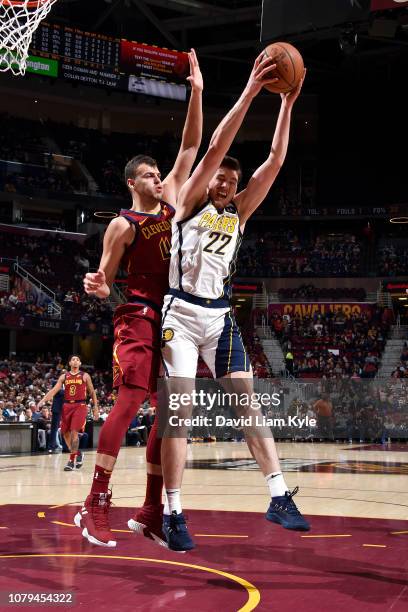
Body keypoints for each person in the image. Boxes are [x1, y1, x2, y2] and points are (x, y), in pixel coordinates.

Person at [159, 52, 309, 551]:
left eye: (229, 177)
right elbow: (214, 147)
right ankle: (173, 510)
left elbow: (276, 161)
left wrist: (286, 103)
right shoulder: (190, 202)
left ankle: (278, 493)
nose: (223, 180)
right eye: (218, 175)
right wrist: (249, 92)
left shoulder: (240, 211)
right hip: (179, 313)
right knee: (178, 412)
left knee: (249, 405)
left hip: (219, 317)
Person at [74, 50, 203, 548]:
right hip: (138, 315)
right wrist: (98, 285)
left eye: (157, 174)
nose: (158, 178)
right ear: (132, 183)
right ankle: (95, 502)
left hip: (174, 317)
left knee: (169, 414)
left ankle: (150, 510)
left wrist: (196, 91)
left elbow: (191, 144)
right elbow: (105, 279)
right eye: (148, 175)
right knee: (129, 401)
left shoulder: (169, 205)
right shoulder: (123, 224)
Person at [36, 355, 99, 470]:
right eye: (73, 359)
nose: (75, 361)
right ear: (70, 363)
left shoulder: (85, 376)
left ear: (80, 363)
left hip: (80, 405)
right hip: (66, 405)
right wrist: (42, 401)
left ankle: (71, 460)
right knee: (64, 432)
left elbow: (92, 392)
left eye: (77, 360)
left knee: (74, 432)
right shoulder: (64, 376)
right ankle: (78, 454)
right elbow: (54, 390)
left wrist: (96, 408)